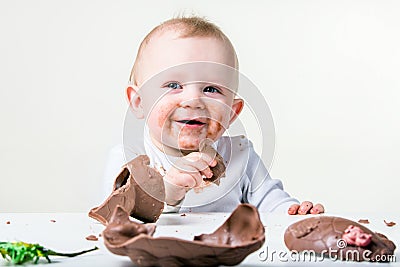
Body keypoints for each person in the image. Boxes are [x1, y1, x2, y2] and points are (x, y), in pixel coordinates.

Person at [103, 16, 324, 215]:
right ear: (139, 102)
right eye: (173, 85)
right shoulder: (128, 156)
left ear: (232, 112)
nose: (193, 100)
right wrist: (167, 192)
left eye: (211, 89)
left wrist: (294, 215)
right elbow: (115, 217)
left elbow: (271, 203)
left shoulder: (240, 156)